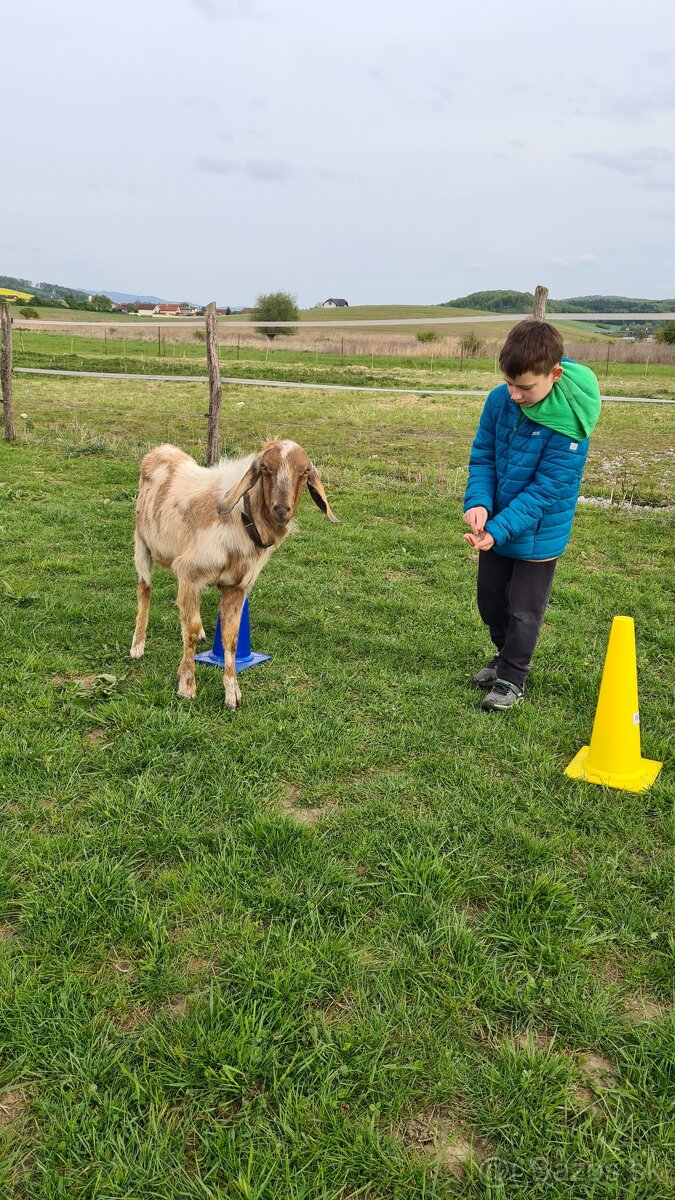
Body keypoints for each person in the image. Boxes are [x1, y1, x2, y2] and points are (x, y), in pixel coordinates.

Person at [463, 319, 601, 711]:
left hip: (538, 533)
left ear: (554, 374)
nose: (515, 394)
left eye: (525, 387)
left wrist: (499, 529)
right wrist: (479, 503)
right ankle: (503, 654)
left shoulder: (571, 425)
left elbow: (545, 490)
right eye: (509, 383)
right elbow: (484, 456)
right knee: (490, 602)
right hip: (498, 525)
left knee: (524, 611)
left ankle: (511, 678)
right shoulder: (498, 401)